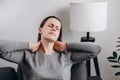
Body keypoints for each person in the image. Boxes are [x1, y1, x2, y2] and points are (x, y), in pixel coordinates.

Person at [0, 16, 101, 80]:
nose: (54, 28)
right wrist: (29, 45)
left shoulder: (66, 55)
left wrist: (66, 46)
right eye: (51, 25)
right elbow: (1, 49)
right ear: (40, 30)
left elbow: (96, 49)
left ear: (58, 35)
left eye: (57, 28)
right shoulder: (26, 55)